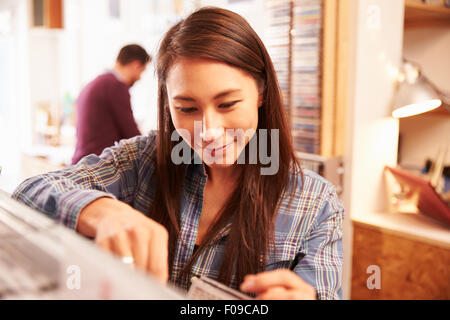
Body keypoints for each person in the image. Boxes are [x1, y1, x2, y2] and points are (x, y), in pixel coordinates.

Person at [12, 7, 344, 300]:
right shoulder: (143, 162)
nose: (209, 131)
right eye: (187, 108)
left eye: (227, 104)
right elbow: (27, 194)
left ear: (261, 92)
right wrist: (103, 213)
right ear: (167, 104)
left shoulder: (316, 205)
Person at [71, 44, 151, 164]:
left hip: (82, 162)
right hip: (97, 166)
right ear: (135, 65)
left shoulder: (97, 82)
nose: (139, 78)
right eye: (141, 71)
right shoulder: (115, 86)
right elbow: (131, 135)